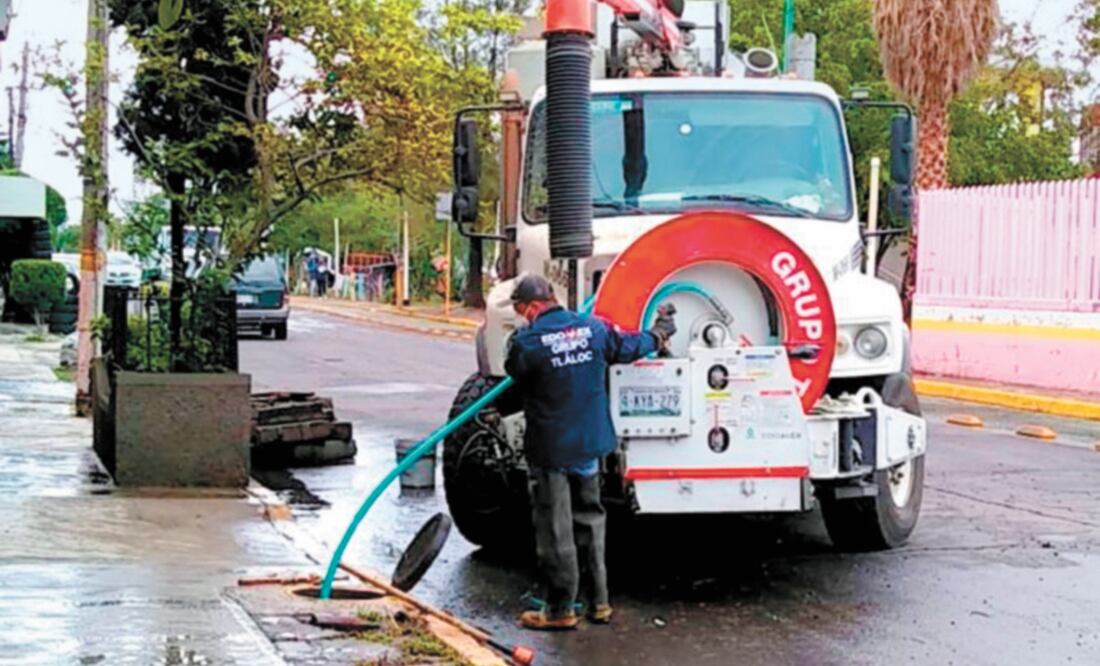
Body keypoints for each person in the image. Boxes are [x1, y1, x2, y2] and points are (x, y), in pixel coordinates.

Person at [504, 274, 677, 631]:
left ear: (533, 306)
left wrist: (520, 341)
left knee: (556, 528)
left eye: (521, 310)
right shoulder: (594, 329)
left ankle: (560, 609)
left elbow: (513, 370)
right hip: (589, 444)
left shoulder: (529, 341)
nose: (522, 317)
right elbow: (629, 347)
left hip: (552, 448)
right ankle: (599, 602)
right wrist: (659, 334)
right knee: (591, 518)